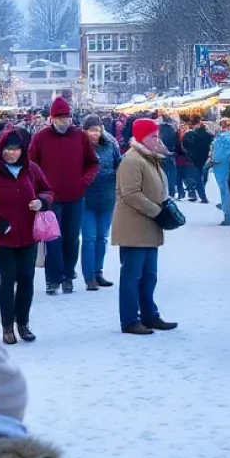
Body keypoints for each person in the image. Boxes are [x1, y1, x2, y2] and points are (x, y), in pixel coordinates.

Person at [0, 128, 53, 345]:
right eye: (7, 150)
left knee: (26, 279)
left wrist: (42, 202)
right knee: (8, 280)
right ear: (0, 150)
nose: (11, 154)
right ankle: (7, 325)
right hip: (3, 237)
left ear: (22, 150)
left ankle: (23, 323)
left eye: (15, 150)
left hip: (28, 235)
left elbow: (47, 190)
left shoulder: (32, 170)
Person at [111, 118, 178, 335]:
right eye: (152, 136)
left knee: (149, 275)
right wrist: (157, 211)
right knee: (132, 276)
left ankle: (150, 314)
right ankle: (130, 319)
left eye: (158, 136)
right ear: (140, 137)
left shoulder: (150, 158)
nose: (157, 140)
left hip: (148, 225)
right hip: (134, 227)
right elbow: (130, 194)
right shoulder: (132, 160)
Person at [28, 97, 98, 295]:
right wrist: (38, 189)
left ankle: (68, 275)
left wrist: (84, 181)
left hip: (75, 196)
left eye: (67, 117)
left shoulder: (80, 137)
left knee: (72, 238)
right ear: (52, 118)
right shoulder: (40, 138)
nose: (64, 121)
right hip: (50, 198)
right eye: (60, 117)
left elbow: (93, 163)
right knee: (52, 238)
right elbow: (30, 166)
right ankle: (52, 279)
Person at [81, 115, 120, 290]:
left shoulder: (110, 144)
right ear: (85, 130)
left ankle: (98, 272)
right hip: (86, 197)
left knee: (102, 238)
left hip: (107, 196)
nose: (95, 133)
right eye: (91, 130)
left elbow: (118, 164)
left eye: (97, 129)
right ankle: (89, 277)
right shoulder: (78, 146)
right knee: (89, 238)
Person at [210, 119, 230, 226]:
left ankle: (228, 216)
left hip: (222, 168)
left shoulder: (221, 138)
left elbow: (217, 156)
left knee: (225, 192)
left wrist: (213, 161)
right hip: (229, 167)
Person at [182, 117, 213, 204]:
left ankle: (196, 195)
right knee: (202, 177)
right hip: (205, 158)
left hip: (193, 159)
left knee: (195, 177)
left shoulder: (190, 135)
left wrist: (189, 153)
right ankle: (202, 196)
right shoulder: (208, 135)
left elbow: (185, 145)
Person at [158, 115, 180, 195]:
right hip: (171, 154)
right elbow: (176, 141)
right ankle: (172, 191)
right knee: (172, 174)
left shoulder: (159, 130)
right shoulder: (172, 130)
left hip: (161, 154)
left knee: (163, 174)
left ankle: (164, 191)